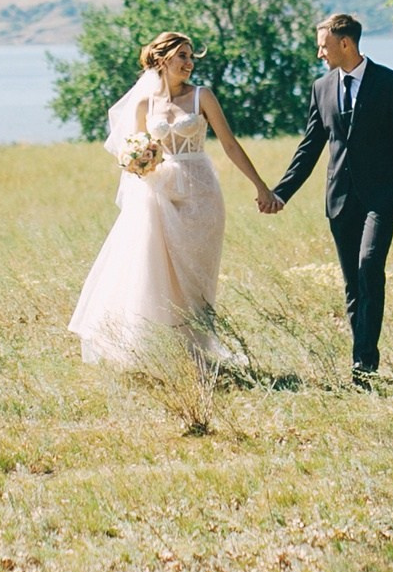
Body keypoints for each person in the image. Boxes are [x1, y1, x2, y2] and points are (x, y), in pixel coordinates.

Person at [68, 32, 282, 368]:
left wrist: (261, 186)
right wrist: (138, 161)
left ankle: (196, 351)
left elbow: (229, 144)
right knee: (154, 270)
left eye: (191, 56)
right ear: (162, 60)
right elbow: (132, 153)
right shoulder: (144, 105)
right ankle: (153, 350)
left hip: (201, 194)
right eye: (181, 56)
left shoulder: (202, 97)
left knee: (195, 275)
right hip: (158, 196)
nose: (189, 63)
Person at [269, 12, 393, 385]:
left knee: (370, 268)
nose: (319, 53)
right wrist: (280, 192)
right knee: (353, 284)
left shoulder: (390, 83)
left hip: (381, 200)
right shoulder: (321, 88)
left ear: (345, 43)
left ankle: (365, 363)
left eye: (323, 46)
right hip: (339, 201)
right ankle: (361, 365)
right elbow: (309, 148)